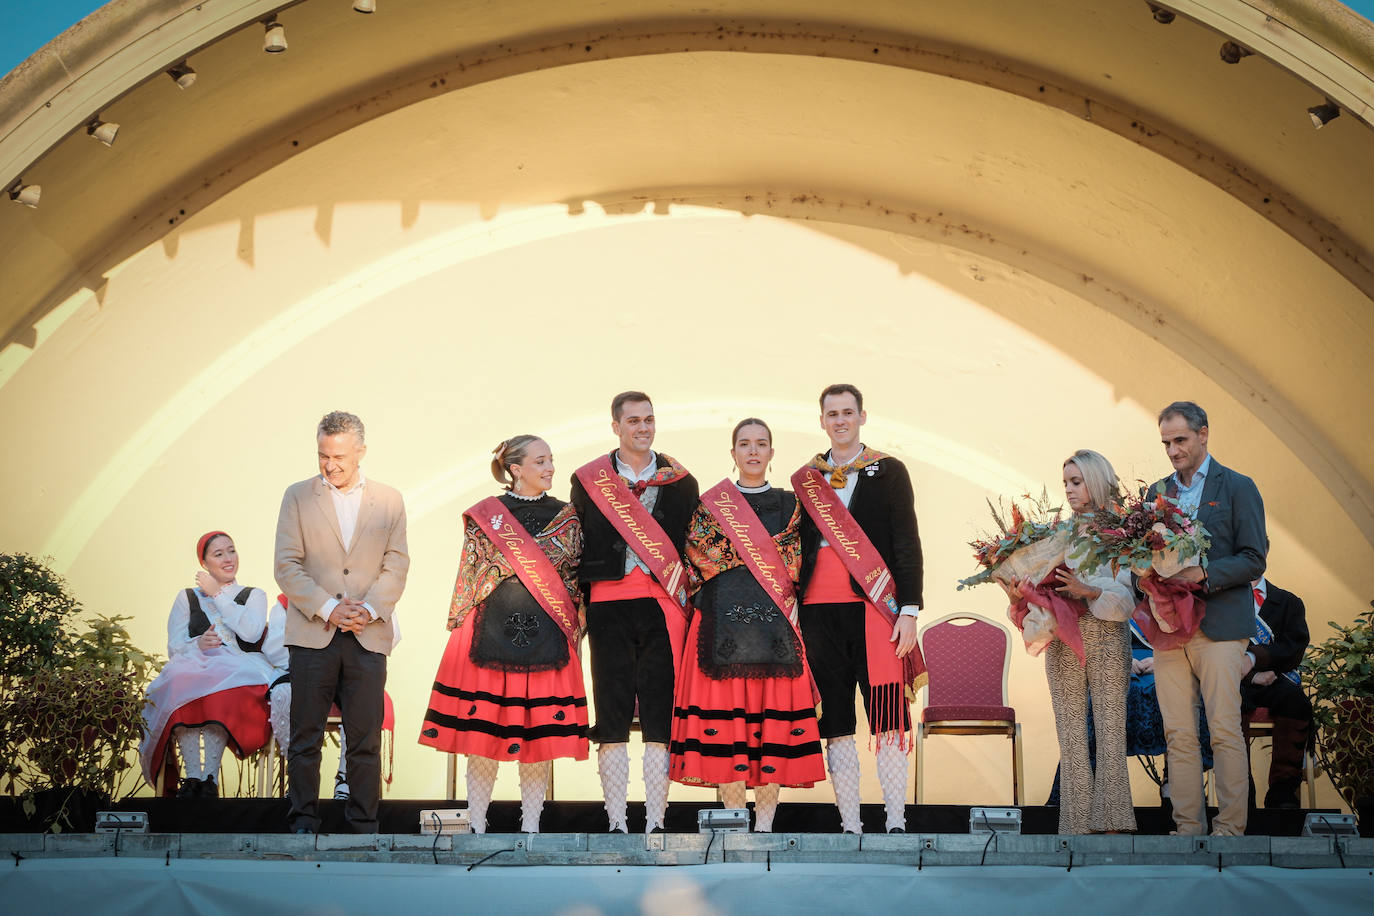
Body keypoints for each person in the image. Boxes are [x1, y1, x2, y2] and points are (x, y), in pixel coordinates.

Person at [419, 436, 589, 833]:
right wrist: (460, 621)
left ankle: (531, 826)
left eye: (551, 460)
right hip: (490, 630)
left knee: (537, 738)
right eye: (540, 461)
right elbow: (472, 572)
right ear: (515, 469)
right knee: (484, 735)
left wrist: (575, 625)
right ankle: (476, 823)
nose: (550, 468)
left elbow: (574, 578)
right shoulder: (488, 514)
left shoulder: (568, 513)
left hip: (547, 631)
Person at [669, 419, 826, 831]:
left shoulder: (792, 504)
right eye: (744, 444)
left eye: (761, 444)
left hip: (776, 631)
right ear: (733, 453)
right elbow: (696, 557)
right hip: (721, 627)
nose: (753, 451)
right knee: (731, 734)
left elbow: (798, 563)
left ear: (772, 453)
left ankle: (766, 827)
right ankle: (735, 823)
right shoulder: (709, 504)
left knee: (767, 734)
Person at [793, 384, 926, 834]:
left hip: (875, 609)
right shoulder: (805, 479)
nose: (841, 421)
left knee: (887, 715)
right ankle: (849, 822)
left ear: (862, 417)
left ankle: (895, 821)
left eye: (848, 412)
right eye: (832, 414)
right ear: (822, 421)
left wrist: (908, 609)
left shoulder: (890, 472)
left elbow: (907, 542)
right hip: (816, 611)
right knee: (836, 718)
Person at [275, 410, 409, 834]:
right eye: (322, 456)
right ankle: (302, 824)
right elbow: (286, 565)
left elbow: (397, 564)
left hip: (368, 638)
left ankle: (364, 826)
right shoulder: (296, 496)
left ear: (361, 452)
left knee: (365, 741)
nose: (330, 465)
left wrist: (367, 610)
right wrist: (330, 608)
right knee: (305, 738)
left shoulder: (389, 499)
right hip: (313, 635)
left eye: (339, 457)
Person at [571, 391, 699, 833]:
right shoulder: (589, 478)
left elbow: (690, 546)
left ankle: (657, 820)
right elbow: (579, 542)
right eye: (633, 421)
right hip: (608, 603)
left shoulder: (681, 480)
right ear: (616, 427)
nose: (642, 428)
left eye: (648, 420)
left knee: (661, 711)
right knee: (612, 708)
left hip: (665, 606)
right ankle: (616, 820)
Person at [1148, 400, 1266, 836]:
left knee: (1223, 730)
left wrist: (1205, 573)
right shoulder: (1156, 491)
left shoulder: (1238, 486)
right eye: (1166, 442)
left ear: (1203, 434)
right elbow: (1145, 553)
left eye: (1180, 439)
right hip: (1169, 629)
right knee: (1178, 734)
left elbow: (1255, 559)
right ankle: (1187, 831)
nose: (1173, 450)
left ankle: (1230, 832)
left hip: (1220, 624)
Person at [1004, 450, 1136, 834]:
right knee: (1070, 731)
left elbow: (1127, 598)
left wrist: (1088, 589)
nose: (1070, 490)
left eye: (1076, 482)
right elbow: (1037, 594)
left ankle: (1113, 822)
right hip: (1063, 637)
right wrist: (1018, 596)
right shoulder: (1053, 536)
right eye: (1066, 483)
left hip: (1108, 635)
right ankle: (1075, 824)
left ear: (1096, 481)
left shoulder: (1123, 533)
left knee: (1112, 728)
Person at [139, 531, 275, 797]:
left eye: (231, 550)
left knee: (222, 683)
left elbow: (251, 633)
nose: (228, 559)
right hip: (195, 665)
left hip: (241, 667)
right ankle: (193, 777)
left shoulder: (253, 595)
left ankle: (209, 776)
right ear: (204, 563)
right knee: (178, 680)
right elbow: (175, 646)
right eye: (218, 554)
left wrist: (218, 595)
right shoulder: (188, 597)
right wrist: (198, 644)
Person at [1245, 574, 1313, 809]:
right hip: (1236, 679)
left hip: (1276, 677)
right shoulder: (1222, 600)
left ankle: (1283, 791)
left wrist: (1259, 660)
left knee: (1296, 702)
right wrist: (1251, 674)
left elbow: (1294, 646)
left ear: (1264, 553)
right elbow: (1213, 645)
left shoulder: (1288, 601)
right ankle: (1241, 790)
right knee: (1228, 704)